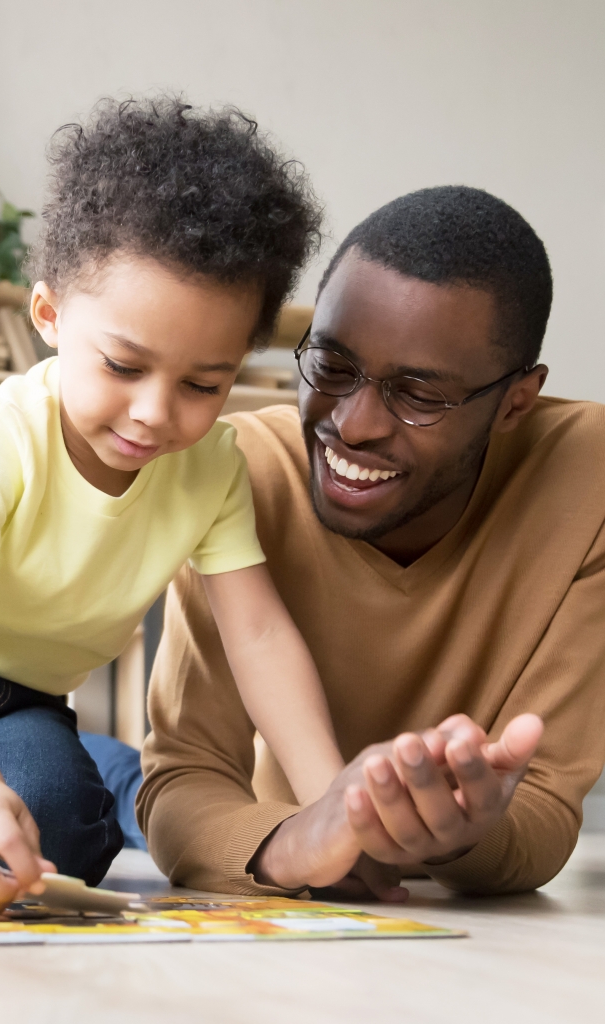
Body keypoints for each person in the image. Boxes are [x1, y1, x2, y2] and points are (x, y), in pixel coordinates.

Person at [0, 96, 347, 918]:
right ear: (50, 316)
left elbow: (259, 635)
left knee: (60, 835)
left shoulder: (212, 468)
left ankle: (88, 769)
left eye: (202, 384)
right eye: (123, 366)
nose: (157, 412)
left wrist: (333, 799)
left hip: (23, 699)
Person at [137, 185, 605, 900]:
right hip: (290, 862)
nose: (352, 425)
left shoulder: (588, 483)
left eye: (418, 395)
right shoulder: (242, 474)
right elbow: (182, 779)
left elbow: (544, 811)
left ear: (516, 401)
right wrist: (296, 843)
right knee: (79, 790)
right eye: (331, 367)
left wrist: (466, 830)